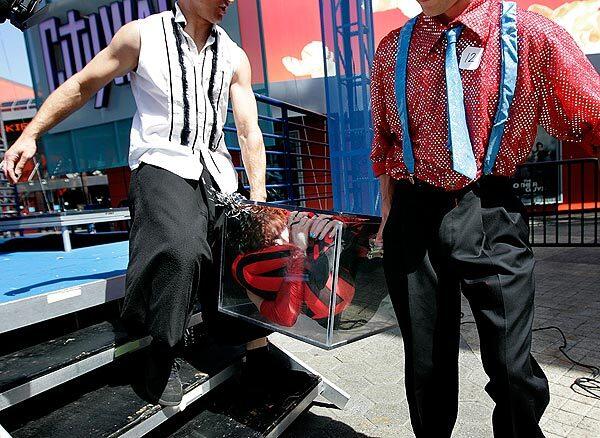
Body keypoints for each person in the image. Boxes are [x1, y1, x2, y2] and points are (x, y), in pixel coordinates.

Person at [2, 0, 269, 407]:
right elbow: (82, 85)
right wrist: (30, 134)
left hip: (215, 172)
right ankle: (161, 357)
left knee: (239, 253)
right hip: (161, 164)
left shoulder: (234, 55)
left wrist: (258, 198)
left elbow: (249, 130)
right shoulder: (141, 35)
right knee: (181, 249)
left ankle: (257, 350)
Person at [370, 0, 599, 437]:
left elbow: (593, 114)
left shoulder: (531, 34)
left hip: (488, 208)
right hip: (413, 212)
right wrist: (388, 212)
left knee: (511, 366)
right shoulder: (393, 48)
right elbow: (387, 142)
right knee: (425, 363)